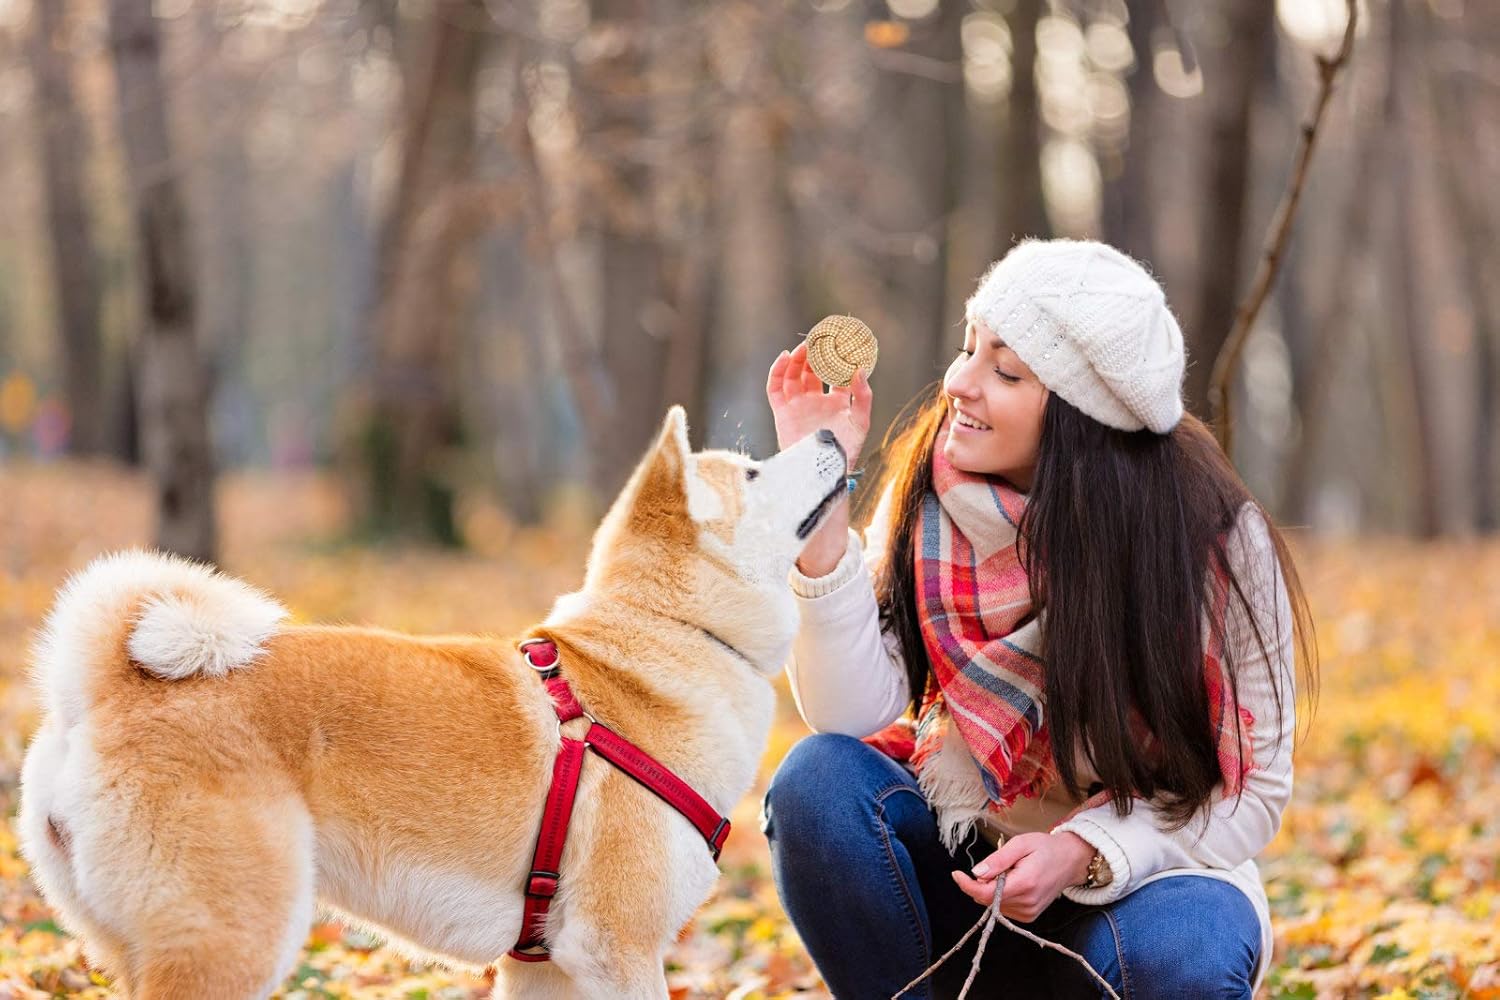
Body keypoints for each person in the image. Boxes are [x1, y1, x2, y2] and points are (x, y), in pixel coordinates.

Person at [760, 239, 1316, 999]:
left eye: (1006, 370)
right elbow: (849, 711)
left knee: (1184, 955)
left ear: (1084, 415)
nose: (959, 382)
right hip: (964, 876)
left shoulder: (1212, 544)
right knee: (816, 785)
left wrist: (1080, 849)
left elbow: (1252, 794)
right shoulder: (933, 498)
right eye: (969, 347)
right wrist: (819, 506)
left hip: (1134, 892)